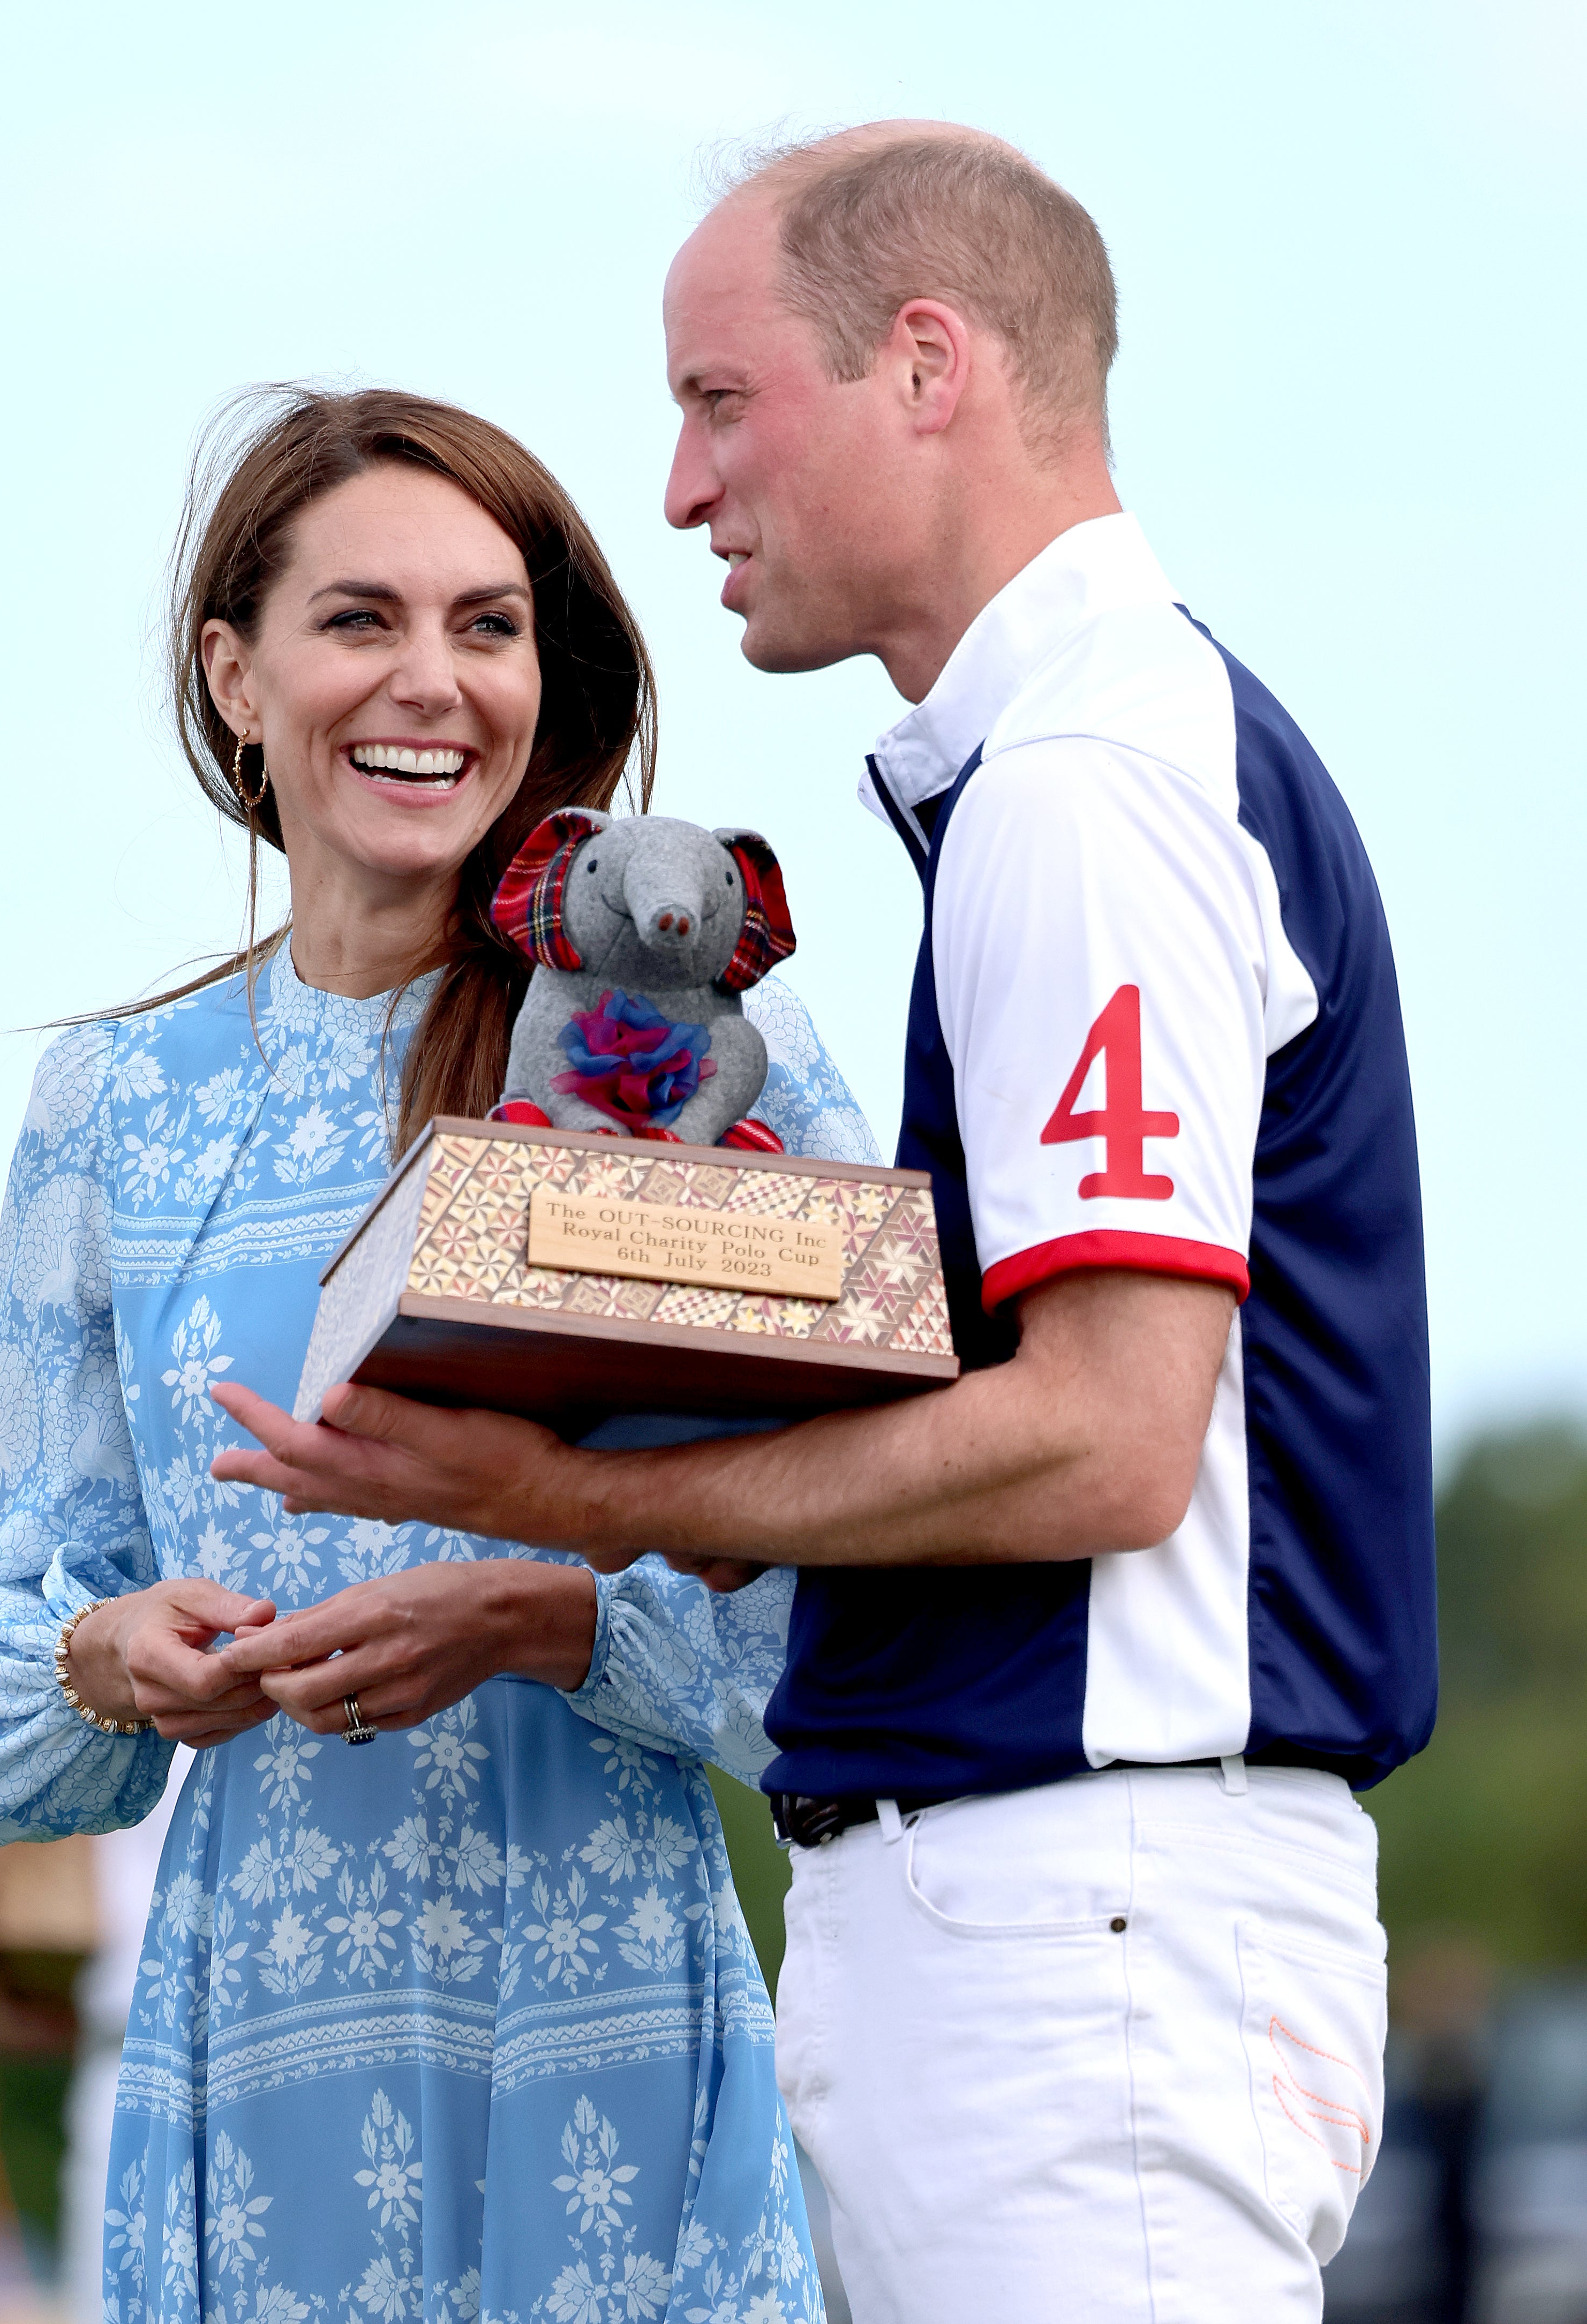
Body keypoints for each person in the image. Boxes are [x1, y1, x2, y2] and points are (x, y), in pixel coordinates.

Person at [209, 128, 1439, 2322]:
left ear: (926, 365)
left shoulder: (1084, 780)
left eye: (715, 399)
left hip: (1090, 1917)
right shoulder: (1084, 760)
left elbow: (1105, 1439)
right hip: (1074, 1924)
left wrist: (579, 1492)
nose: (679, 491)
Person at [0, 386, 879, 2324]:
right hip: (250, 2071)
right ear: (234, 674)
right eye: (359, 618)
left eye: (487, 625)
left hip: (607, 2037)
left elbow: (849, 1656)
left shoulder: (691, 1071)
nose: (429, 682)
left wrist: (553, 1616)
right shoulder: (110, 1107)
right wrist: (105, 1656)